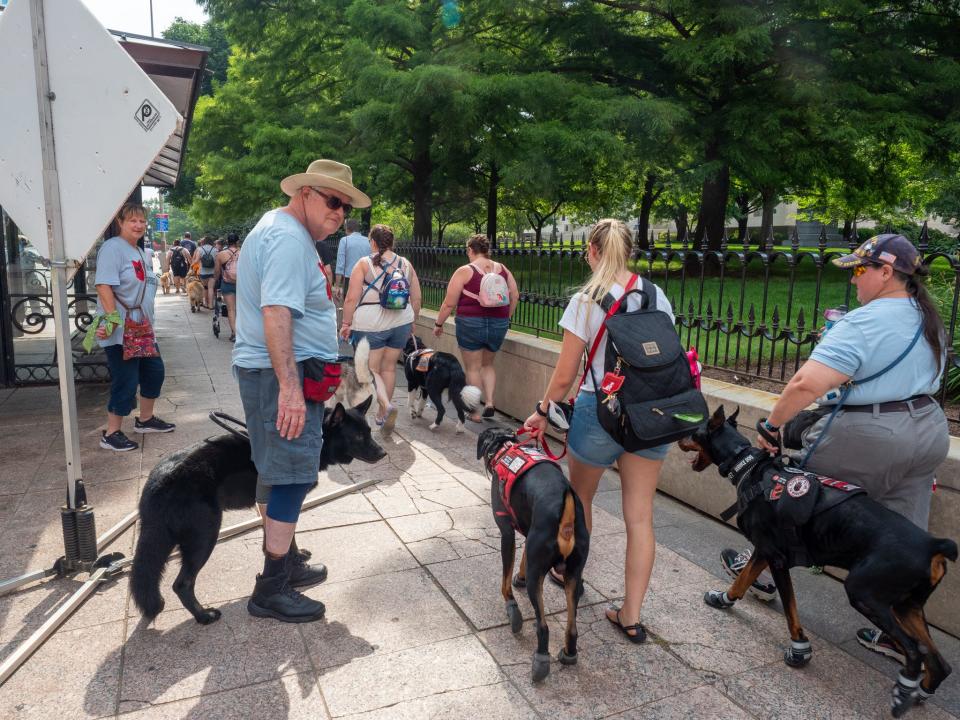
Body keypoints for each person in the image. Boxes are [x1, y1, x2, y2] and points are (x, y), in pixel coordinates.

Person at [722, 234, 949, 662]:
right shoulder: (925, 315)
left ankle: (767, 575)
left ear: (887, 273)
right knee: (904, 531)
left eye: (861, 270)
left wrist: (772, 425)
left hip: (873, 435)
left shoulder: (864, 321)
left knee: (790, 497)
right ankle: (899, 633)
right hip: (928, 430)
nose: (854, 280)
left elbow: (806, 383)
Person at [523, 219, 675, 643]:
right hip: (650, 416)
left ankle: (573, 575)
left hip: (598, 410)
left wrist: (541, 410)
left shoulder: (586, 299)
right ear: (630, 252)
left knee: (581, 500)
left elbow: (565, 374)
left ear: (591, 251)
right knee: (640, 517)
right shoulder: (657, 295)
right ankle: (631, 614)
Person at [233, 158, 369, 622]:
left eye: (345, 208)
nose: (339, 214)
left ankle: (283, 559)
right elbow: (277, 314)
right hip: (279, 378)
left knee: (277, 470)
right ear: (306, 193)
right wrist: (290, 389)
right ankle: (271, 586)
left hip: (275, 374)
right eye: (333, 201)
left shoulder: (284, 233)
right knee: (291, 474)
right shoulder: (289, 239)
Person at [93, 202, 176, 451]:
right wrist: (111, 321)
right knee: (126, 380)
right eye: (132, 220)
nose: (138, 225)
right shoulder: (112, 248)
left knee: (154, 372)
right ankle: (111, 433)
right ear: (120, 222)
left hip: (142, 329)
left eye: (141, 220)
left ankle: (146, 420)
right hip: (121, 329)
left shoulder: (140, 251)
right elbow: (103, 285)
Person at [339, 224, 421, 435]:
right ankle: (383, 413)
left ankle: (385, 405)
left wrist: (346, 323)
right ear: (391, 242)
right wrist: (413, 320)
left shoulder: (364, 264)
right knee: (390, 368)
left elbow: (351, 298)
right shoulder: (405, 264)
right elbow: (417, 297)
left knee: (372, 369)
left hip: (372, 323)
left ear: (373, 242)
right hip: (401, 321)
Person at [431, 234, 519, 421]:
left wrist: (439, 324)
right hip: (498, 324)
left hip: (470, 323)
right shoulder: (502, 269)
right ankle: (489, 402)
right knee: (487, 364)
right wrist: (506, 317)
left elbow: (449, 303)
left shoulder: (465, 271)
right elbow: (515, 295)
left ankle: (475, 411)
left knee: (472, 368)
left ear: (470, 250)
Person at [334, 217, 369, 303]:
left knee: (349, 306)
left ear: (347, 228)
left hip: (350, 280)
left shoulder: (344, 241)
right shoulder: (368, 241)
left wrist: (337, 286)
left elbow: (340, 265)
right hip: (366, 280)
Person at [214, 233, 241, 342]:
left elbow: (216, 272)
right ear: (238, 242)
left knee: (231, 309)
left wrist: (215, 282)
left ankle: (235, 333)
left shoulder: (221, 254)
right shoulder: (243, 252)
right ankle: (243, 333)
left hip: (227, 284)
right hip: (242, 284)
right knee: (241, 310)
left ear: (227, 242)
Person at [193, 235, 218, 309]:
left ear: (203, 242)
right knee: (211, 288)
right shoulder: (215, 249)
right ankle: (211, 305)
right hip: (212, 272)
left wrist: (192, 265)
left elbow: (197, 260)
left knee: (205, 288)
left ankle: (205, 303)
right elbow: (217, 262)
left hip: (203, 272)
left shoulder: (200, 249)